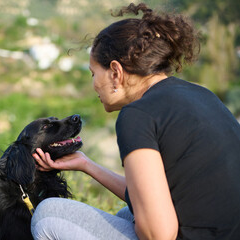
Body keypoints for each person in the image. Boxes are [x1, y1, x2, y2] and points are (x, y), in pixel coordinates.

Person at [31, 2, 240, 240]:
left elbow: (160, 234)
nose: (94, 85)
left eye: (93, 73)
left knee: (49, 215)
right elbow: (151, 198)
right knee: (126, 213)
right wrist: (86, 164)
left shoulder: (137, 115)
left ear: (115, 72)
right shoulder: (200, 94)